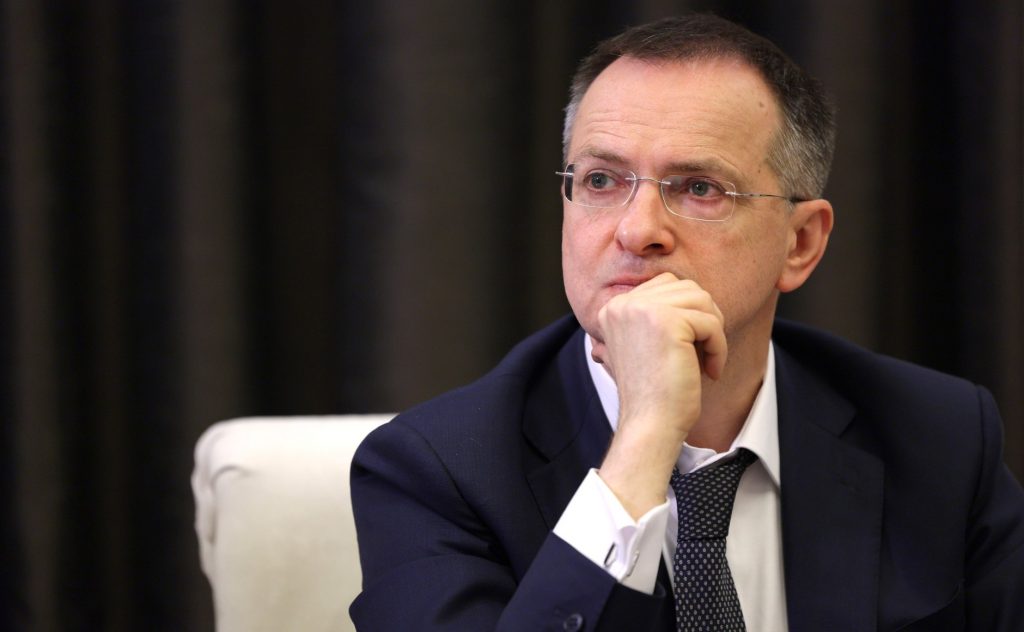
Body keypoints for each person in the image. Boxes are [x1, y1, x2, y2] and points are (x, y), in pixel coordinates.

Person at [349, 13, 1024, 631]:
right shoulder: (434, 471)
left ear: (800, 244)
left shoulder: (938, 439)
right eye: (602, 181)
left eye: (699, 188)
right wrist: (644, 440)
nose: (636, 230)